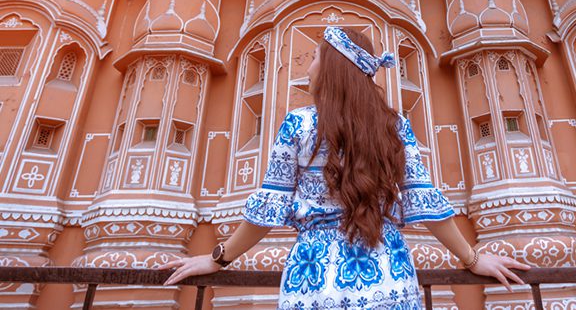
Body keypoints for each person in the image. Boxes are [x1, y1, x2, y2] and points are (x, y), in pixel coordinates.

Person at [159, 25, 530, 306]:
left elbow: (268, 210)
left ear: (333, 67)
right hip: (388, 274)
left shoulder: (299, 125)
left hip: (315, 279)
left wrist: (217, 259)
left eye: (317, 55)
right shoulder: (394, 127)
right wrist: (472, 257)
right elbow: (424, 201)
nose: (310, 63)